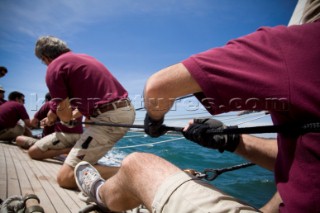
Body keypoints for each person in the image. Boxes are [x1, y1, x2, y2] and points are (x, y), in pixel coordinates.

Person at [74, 1, 320, 213]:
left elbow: (158, 88)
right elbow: (304, 160)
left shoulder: (301, 41)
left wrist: (155, 119)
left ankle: (100, 193)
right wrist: (231, 140)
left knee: (137, 164)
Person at [34, 36, 135, 189]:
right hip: (121, 111)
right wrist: (66, 116)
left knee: (66, 178)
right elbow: (81, 107)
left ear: (45, 57)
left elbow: (65, 115)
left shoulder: (54, 67)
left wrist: (56, 118)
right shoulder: (85, 58)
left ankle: (139, 174)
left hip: (108, 117)